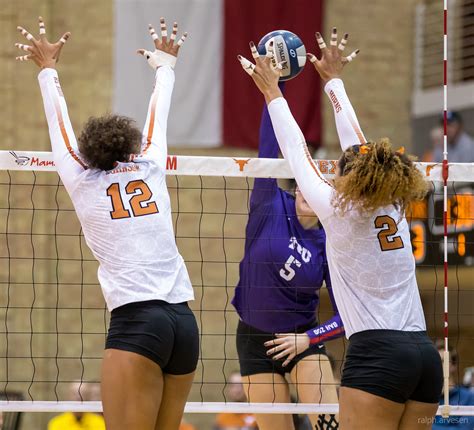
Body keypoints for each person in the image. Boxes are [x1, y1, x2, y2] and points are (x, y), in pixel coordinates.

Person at [238, 27, 443, 429]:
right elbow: (361, 143)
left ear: (349, 180)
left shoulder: (336, 210)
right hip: (423, 355)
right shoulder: (395, 202)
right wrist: (333, 81)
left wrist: (273, 93)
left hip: (378, 356)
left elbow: (297, 151)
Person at [15, 16, 198, 430]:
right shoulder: (150, 164)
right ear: (132, 147)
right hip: (184, 325)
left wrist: (47, 69)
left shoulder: (82, 179)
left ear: (86, 153)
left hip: (139, 325)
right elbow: (158, 116)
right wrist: (166, 67)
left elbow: (57, 125)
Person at [232, 77, 343, 429]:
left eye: (320, 185)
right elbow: (268, 150)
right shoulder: (269, 204)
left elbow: (347, 317)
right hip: (254, 340)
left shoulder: (332, 241)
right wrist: (272, 88)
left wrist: (309, 338)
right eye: (303, 182)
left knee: (330, 426)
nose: (307, 190)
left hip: (301, 338)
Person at [432, 341, 474, 430]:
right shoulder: (422, 397)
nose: (437, 365)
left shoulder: (469, 397)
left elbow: (464, 429)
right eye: (434, 361)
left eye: (443, 361)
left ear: (453, 365)